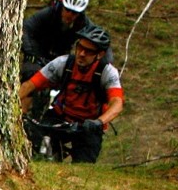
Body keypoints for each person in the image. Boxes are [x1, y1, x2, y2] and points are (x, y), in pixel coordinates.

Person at [18, 24, 124, 164]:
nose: (81, 54)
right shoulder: (62, 63)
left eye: (88, 51)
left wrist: (99, 122)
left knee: (83, 167)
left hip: (89, 125)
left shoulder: (107, 72)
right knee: (41, 156)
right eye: (80, 47)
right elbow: (29, 85)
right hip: (59, 118)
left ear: (100, 54)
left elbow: (117, 103)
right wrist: (12, 104)